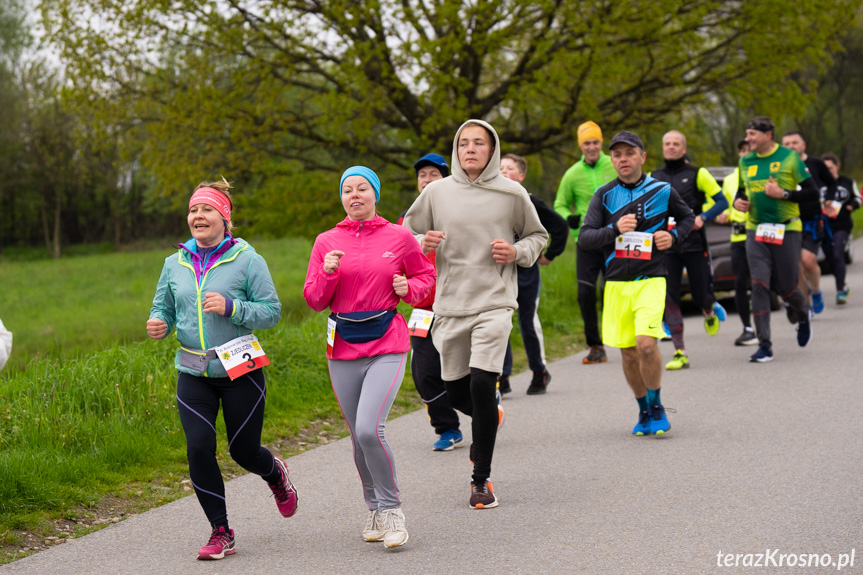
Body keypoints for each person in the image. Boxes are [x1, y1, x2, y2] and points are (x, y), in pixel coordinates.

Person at [147, 179, 297, 561]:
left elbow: (272, 312)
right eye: (194, 210)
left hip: (239, 368)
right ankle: (221, 531)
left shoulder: (248, 259)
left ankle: (274, 473)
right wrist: (158, 323)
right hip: (192, 369)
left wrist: (233, 308)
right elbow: (162, 307)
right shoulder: (173, 263)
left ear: (224, 219)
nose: (198, 216)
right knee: (198, 447)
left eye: (207, 209)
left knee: (243, 451)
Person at [404, 119, 548, 509]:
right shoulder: (437, 192)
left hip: (495, 302)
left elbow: (539, 236)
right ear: (456, 149)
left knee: (483, 383)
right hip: (449, 306)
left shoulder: (512, 193)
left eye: (478, 143)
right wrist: (422, 242)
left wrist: (517, 253)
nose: (470, 149)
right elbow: (405, 233)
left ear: (492, 149)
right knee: (456, 391)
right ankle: (490, 414)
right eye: (464, 143)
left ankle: (480, 480)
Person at [303, 166, 436, 549]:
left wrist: (407, 286)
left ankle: (393, 510)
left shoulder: (399, 237)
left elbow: (426, 277)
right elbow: (314, 299)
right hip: (342, 345)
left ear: (375, 194)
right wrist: (328, 273)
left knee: (368, 429)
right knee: (356, 437)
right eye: (348, 190)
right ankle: (374, 507)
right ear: (341, 197)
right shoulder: (326, 241)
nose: (355, 195)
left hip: (387, 342)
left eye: (363, 188)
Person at [578, 130, 694, 435]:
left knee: (645, 346)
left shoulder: (663, 190)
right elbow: (586, 238)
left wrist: (674, 236)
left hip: (651, 278)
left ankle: (656, 405)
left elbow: (687, 219)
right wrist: (614, 228)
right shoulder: (603, 195)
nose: (622, 159)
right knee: (628, 352)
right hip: (616, 283)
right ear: (611, 159)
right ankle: (643, 409)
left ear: (642, 157)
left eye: (629, 153)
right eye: (616, 154)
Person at [734, 117, 818, 362]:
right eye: (747, 134)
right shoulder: (745, 161)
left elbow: (812, 192)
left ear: (767, 135)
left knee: (786, 288)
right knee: (759, 284)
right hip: (755, 230)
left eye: (752, 134)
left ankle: (803, 313)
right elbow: (741, 191)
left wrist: (783, 193)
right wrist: (738, 202)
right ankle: (765, 345)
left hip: (787, 229)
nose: (748, 139)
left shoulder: (788, 158)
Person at [397, 153, 463, 451]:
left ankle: (487, 403)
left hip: (460, 306)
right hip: (422, 310)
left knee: (466, 371)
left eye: (433, 174)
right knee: (424, 374)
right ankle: (447, 428)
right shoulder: (404, 222)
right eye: (422, 175)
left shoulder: (462, 213)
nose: (426, 180)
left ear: (446, 179)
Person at [651, 130, 728, 370]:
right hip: (669, 246)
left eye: (676, 144)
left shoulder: (698, 173)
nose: (671, 147)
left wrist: (703, 217)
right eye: (667, 144)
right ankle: (680, 351)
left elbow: (722, 201)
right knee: (670, 296)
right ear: (662, 148)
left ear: (684, 149)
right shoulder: (655, 176)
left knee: (700, 296)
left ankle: (709, 309)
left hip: (694, 244)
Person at [498, 153, 569, 395]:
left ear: (521, 176)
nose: (504, 171)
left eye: (509, 168)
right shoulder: (491, 201)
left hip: (527, 272)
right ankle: (502, 376)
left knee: (527, 322)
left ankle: (540, 372)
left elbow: (560, 225)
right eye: (500, 168)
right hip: (499, 271)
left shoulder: (529, 201)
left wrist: (549, 254)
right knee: (500, 323)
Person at [554, 121, 618, 364]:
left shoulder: (613, 164)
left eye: (595, 142)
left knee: (613, 290)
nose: (591, 147)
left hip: (615, 238)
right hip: (587, 240)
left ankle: (624, 339)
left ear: (601, 143)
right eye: (586, 143)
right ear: (581, 146)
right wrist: (567, 219)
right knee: (585, 293)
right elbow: (560, 204)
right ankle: (596, 345)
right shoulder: (572, 174)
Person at [780, 131, 838, 316]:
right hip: (789, 222)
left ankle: (817, 291)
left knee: (808, 261)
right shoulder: (779, 166)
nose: (791, 146)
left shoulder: (816, 164)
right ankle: (805, 305)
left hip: (811, 221)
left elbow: (833, 184)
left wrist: (829, 200)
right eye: (787, 144)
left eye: (794, 142)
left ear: (803, 145)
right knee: (796, 266)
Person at [712, 139, 759, 345]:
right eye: (742, 151)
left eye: (749, 150)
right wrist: (722, 214)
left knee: (762, 282)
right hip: (737, 237)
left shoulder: (764, 176)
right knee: (740, 282)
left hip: (759, 236)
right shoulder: (730, 179)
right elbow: (721, 204)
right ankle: (747, 328)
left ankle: (768, 322)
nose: (745, 154)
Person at [821, 152, 861, 304]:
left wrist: (853, 205)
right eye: (825, 168)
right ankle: (842, 284)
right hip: (824, 225)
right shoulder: (818, 183)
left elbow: (857, 197)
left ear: (837, 167)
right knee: (830, 258)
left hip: (842, 224)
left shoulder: (847, 181)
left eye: (831, 168)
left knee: (838, 253)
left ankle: (840, 290)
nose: (828, 171)